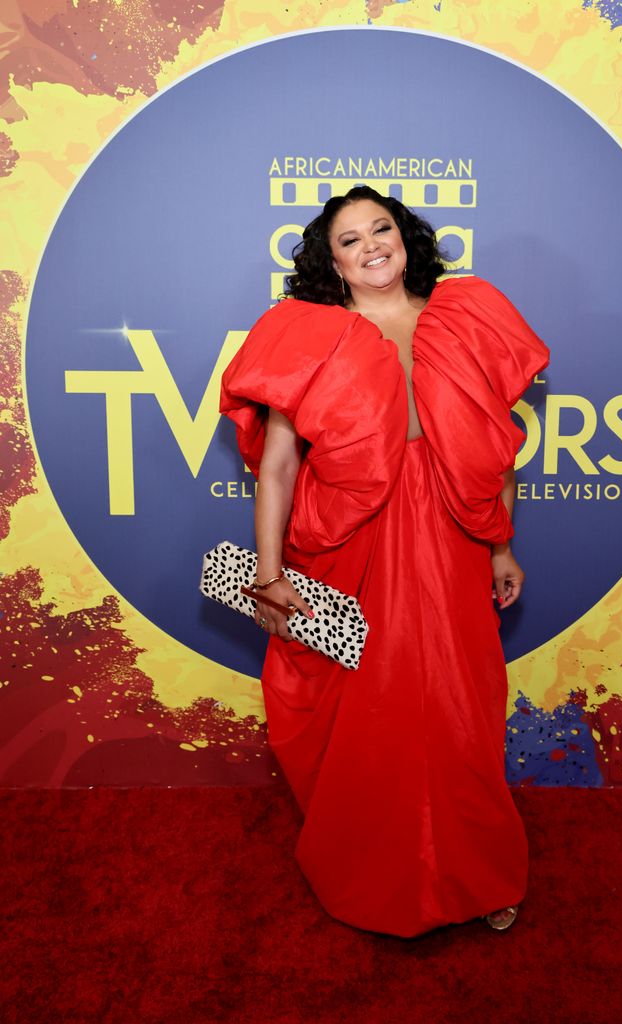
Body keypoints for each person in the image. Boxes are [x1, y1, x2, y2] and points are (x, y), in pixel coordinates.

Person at [220, 185, 550, 938]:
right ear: (330, 261)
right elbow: (278, 468)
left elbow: (495, 449)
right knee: (369, 716)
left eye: (382, 229)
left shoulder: (465, 316)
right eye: (350, 239)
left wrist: (502, 546)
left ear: (406, 239)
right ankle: (370, 876)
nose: (371, 246)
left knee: (461, 712)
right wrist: (269, 574)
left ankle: (480, 874)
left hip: (452, 533)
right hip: (351, 541)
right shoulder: (303, 335)